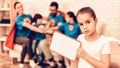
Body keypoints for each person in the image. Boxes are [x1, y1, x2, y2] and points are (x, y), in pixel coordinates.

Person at [14, 2, 44, 68]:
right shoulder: (17, 19)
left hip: (27, 37)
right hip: (18, 37)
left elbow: (35, 23)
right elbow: (28, 26)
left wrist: (42, 25)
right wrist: (39, 30)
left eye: (21, 6)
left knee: (25, 44)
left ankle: (21, 63)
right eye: (18, 7)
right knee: (27, 40)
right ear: (16, 10)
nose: (20, 8)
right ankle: (31, 59)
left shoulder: (28, 16)